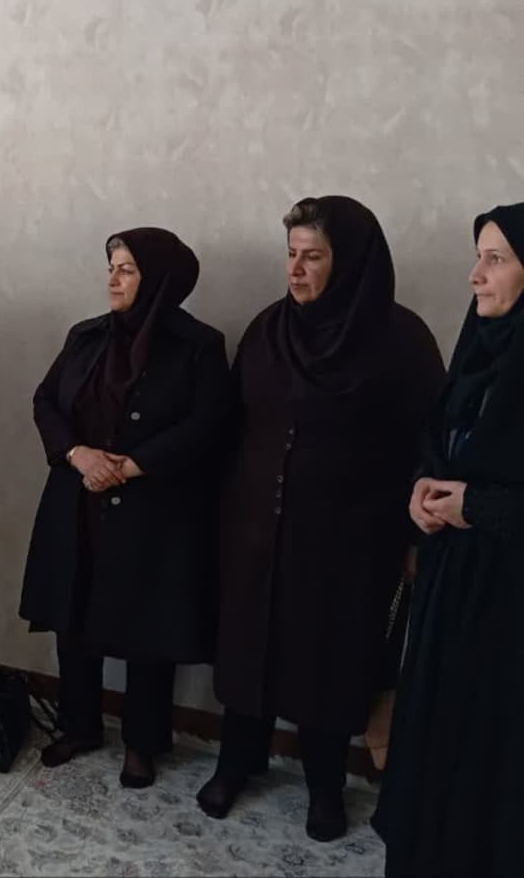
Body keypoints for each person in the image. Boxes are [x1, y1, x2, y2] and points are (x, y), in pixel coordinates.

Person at [198, 196, 446, 841]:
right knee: (249, 651)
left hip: (350, 544)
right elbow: (233, 425)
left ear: (352, 262)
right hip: (257, 532)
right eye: (291, 254)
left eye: (313, 256)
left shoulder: (402, 342)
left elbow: (430, 446)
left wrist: (415, 539)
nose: (296, 270)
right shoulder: (267, 330)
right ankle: (236, 763)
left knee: (329, 663)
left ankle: (325, 787)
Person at [19, 228, 228, 787]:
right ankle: (80, 725)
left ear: (159, 279)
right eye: (111, 267)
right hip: (78, 499)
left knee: (147, 628)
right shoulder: (86, 336)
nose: (113, 279)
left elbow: (210, 424)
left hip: (154, 510)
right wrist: (78, 454)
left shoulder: (198, 346)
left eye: (127, 269)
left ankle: (143, 741)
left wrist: (132, 466)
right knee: (74, 614)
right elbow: (46, 400)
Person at [373, 203, 524, 876]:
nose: (475, 275)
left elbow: (485, 488)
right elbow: (436, 445)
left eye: (496, 260)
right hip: (451, 589)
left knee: (492, 759)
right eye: (477, 257)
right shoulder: (477, 352)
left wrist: (478, 506)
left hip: (508, 607)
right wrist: (421, 489)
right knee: (439, 739)